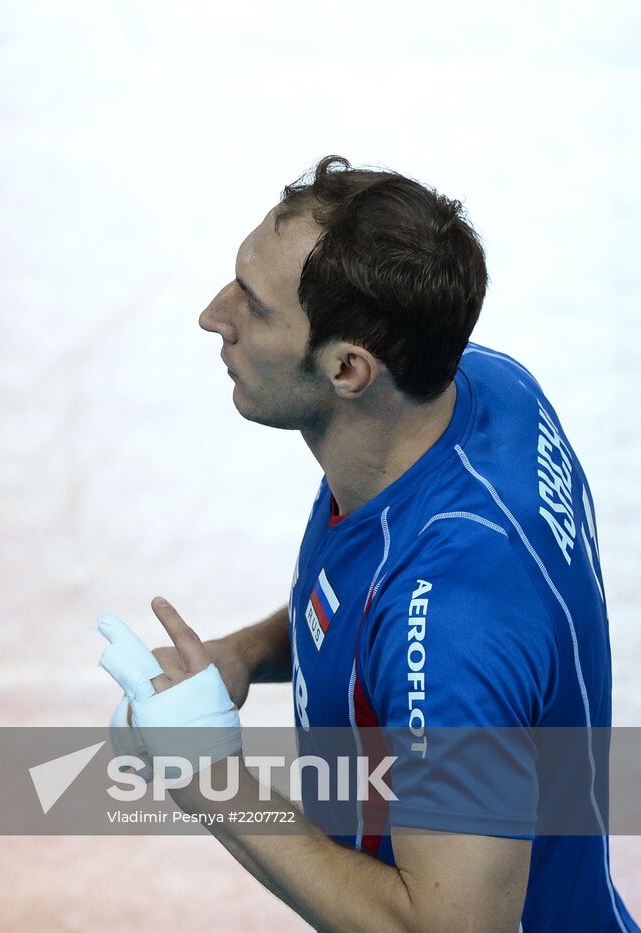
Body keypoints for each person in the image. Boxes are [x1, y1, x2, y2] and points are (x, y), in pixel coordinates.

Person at [97, 156, 635, 931]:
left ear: (350, 369)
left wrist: (210, 775)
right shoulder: (481, 392)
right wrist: (246, 654)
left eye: (254, 306)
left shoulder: (454, 620)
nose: (214, 316)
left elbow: (445, 926)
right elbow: (380, 592)